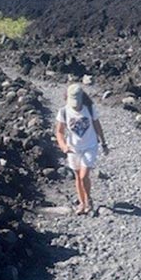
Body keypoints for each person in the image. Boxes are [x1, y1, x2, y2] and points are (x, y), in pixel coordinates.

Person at [56, 83, 108, 214]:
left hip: (90, 146)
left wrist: (104, 143)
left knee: (84, 175)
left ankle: (88, 199)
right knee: (78, 176)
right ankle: (82, 203)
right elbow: (59, 131)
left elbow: (97, 126)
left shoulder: (89, 108)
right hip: (73, 149)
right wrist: (63, 145)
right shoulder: (63, 111)